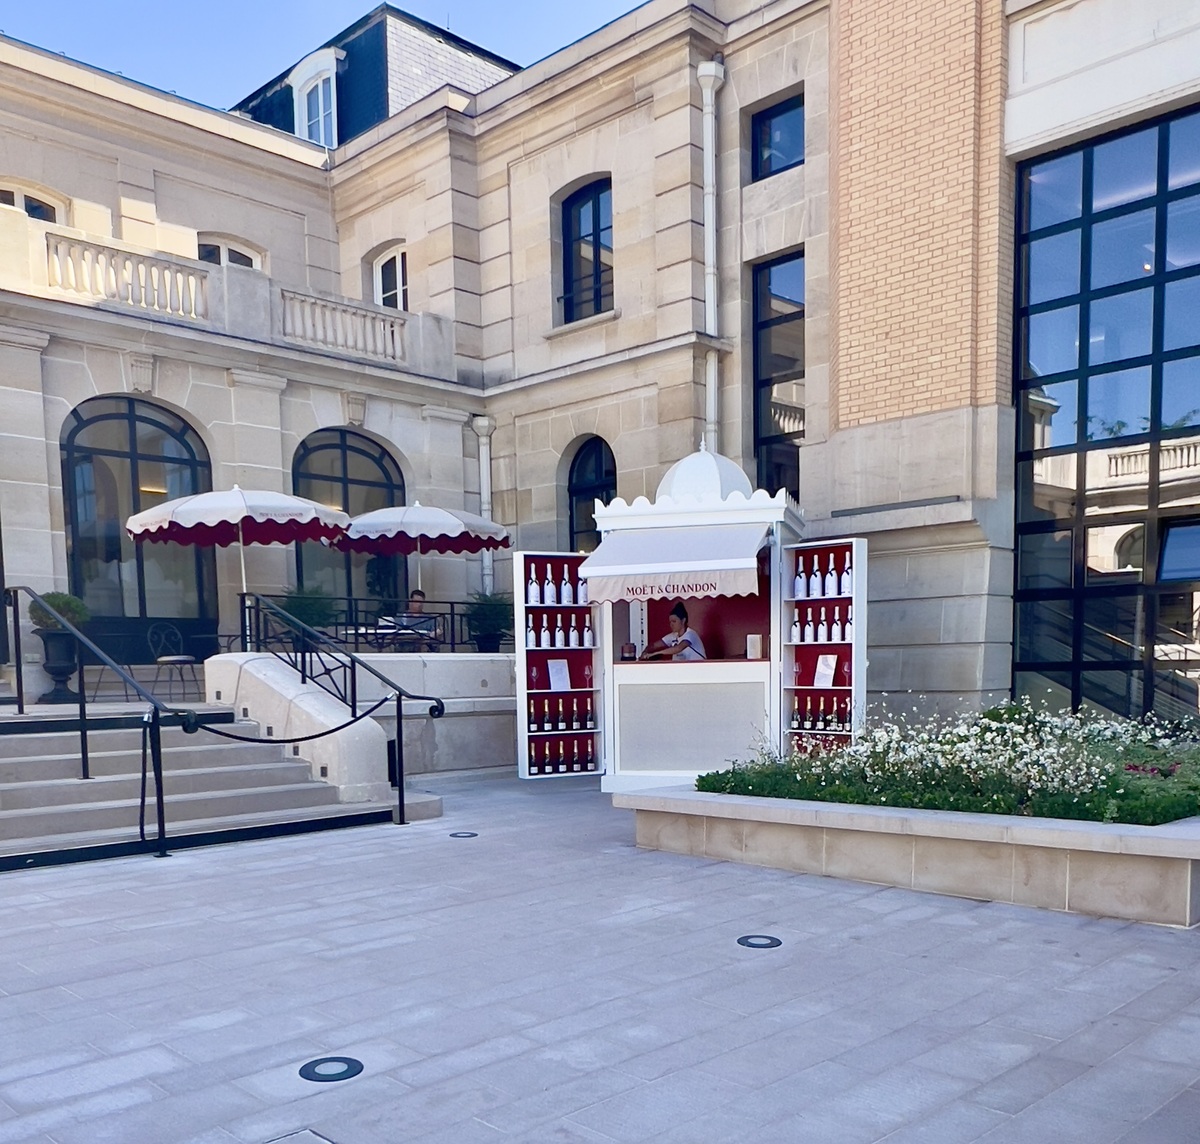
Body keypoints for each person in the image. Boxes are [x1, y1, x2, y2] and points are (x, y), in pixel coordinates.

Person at [640, 602, 706, 661]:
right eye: (670, 622)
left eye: (674, 621)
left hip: (697, 669)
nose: (671, 624)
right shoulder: (673, 636)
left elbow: (678, 648)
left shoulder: (690, 634)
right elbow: (654, 645)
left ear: (683, 621)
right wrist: (645, 651)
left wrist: (656, 653)